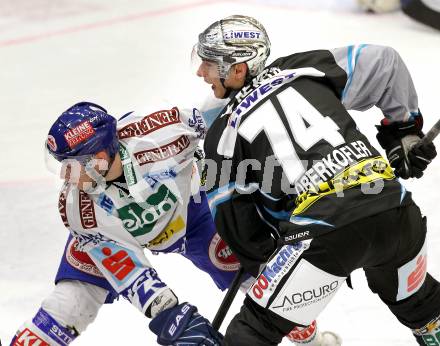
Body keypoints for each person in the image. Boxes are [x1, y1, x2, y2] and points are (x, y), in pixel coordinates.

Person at [193, 14, 440, 345]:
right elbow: (383, 62)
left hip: (324, 234)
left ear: (238, 68)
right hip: (394, 208)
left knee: (253, 330)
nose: (201, 72)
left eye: (209, 63)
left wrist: (271, 259)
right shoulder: (305, 68)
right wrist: (404, 133)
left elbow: (236, 225)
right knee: (421, 305)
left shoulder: (220, 136)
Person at [11, 102, 239, 346]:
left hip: (193, 215)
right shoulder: (76, 207)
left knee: (265, 281)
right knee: (68, 306)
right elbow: (128, 271)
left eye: (70, 166)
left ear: (98, 158)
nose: (64, 176)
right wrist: (172, 318)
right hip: (109, 237)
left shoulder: (162, 133)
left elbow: (227, 114)